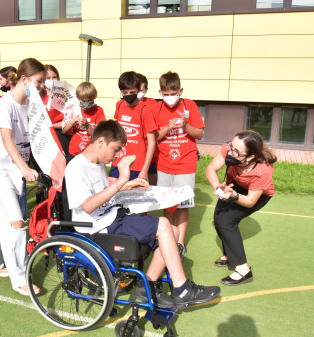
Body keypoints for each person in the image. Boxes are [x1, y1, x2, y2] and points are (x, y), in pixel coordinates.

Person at [65, 119, 220, 308]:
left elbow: (104, 192)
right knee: (163, 224)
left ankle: (146, 286)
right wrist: (121, 181)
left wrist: (127, 185)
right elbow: (88, 206)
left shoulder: (96, 163)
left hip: (112, 217)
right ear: (101, 142)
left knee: (173, 231)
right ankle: (182, 289)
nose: (116, 155)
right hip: (98, 227)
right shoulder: (75, 168)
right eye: (115, 149)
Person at [0, 58, 44, 296]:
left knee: (0, 215)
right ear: (24, 79)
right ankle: (20, 278)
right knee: (16, 221)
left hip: (15, 170)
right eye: (39, 81)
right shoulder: (4, 105)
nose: (42, 86)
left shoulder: (31, 105)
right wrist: (25, 169)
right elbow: (7, 140)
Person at [205, 130, 277, 286]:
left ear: (250, 157)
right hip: (233, 185)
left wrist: (233, 196)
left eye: (236, 151)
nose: (230, 151)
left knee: (226, 220)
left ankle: (244, 271)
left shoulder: (262, 169)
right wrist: (219, 189)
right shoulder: (229, 149)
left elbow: (251, 201)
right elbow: (211, 169)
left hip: (256, 195)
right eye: (231, 145)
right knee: (218, 218)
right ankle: (229, 256)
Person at [154, 71, 205, 258]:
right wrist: (167, 128)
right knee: (168, 205)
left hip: (186, 163)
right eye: (165, 94)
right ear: (160, 92)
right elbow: (154, 137)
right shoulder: (156, 109)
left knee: (182, 205)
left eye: (173, 93)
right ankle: (168, 237)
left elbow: (199, 134)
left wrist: (185, 126)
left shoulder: (189, 105)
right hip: (164, 163)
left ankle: (180, 242)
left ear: (180, 90)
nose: (169, 98)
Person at [109, 71, 157, 183]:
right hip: (118, 161)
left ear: (138, 90)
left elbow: (152, 142)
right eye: (125, 92)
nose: (128, 95)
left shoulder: (145, 110)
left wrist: (145, 170)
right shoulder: (119, 105)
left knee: (132, 198)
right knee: (113, 196)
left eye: (132, 92)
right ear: (121, 91)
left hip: (137, 165)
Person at [62, 81, 105, 159]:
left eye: (90, 100)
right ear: (78, 98)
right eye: (84, 101)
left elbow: (98, 136)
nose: (87, 103)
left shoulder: (98, 111)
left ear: (94, 97)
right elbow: (64, 131)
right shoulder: (73, 109)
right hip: (74, 151)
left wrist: (87, 125)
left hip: (91, 153)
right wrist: (72, 123)